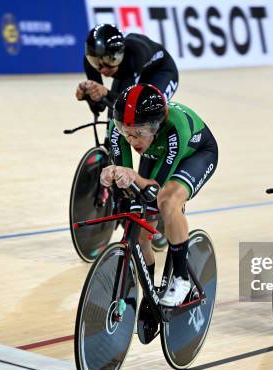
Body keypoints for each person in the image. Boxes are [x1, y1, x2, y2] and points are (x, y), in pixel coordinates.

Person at [100, 84, 219, 307]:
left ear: (156, 125)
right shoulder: (120, 129)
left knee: (167, 200)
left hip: (195, 154)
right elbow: (125, 183)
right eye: (127, 133)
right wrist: (114, 174)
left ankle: (182, 280)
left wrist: (131, 176)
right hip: (156, 152)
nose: (132, 141)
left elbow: (155, 187)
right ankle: (149, 294)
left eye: (139, 133)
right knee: (140, 229)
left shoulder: (176, 128)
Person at [75, 24, 179, 115]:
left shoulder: (135, 54)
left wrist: (106, 93)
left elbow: (130, 106)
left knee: (148, 110)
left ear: (121, 54)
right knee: (115, 117)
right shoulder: (91, 58)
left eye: (110, 60)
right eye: (96, 63)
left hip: (161, 71)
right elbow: (100, 107)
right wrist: (90, 96)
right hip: (127, 73)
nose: (103, 70)